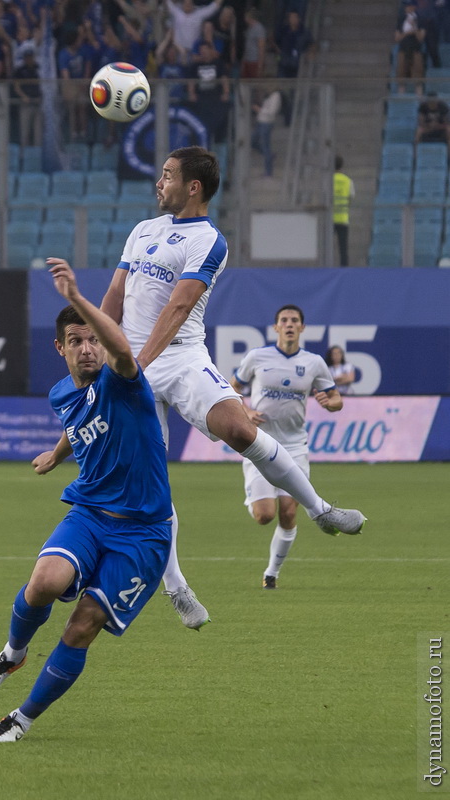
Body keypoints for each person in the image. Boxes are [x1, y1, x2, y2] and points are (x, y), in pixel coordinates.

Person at [36, 146, 366, 631]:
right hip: (133, 361)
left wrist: (136, 364)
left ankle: (320, 510)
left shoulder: (209, 241)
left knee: (240, 430)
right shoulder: (143, 230)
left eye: (167, 175)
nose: (159, 182)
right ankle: (176, 587)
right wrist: (113, 350)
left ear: (193, 187)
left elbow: (178, 308)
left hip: (180, 357)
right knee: (150, 481)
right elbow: (115, 295)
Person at [0, 258, 173, 743]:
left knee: (81, 626)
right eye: (76, 341)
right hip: (90, 514)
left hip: (143, 534)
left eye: (94, 340)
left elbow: (124, 351)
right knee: (44, 581)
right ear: (59, 348)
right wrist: (59, 454)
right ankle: (13, 654)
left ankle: (21, 719)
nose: (88, 349)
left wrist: (78, 299)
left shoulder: (124, 379)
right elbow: (79, 423)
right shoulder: (63, 393)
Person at [231, 306, 343, 589]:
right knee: (264, 516)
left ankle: (271, 574)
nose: (289, 324)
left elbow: (335, 397)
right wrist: (244, 411)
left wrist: (332, 404)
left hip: (294, 446)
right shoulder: (257, 357)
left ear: (302, 328)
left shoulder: (314, 362)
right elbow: (231, 389)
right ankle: (255, 497)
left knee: (289, 512)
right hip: (259, 445)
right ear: (276, 327)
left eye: (295, 321)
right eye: (284, 321)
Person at [395, 1, 426, 93]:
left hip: (416, 50)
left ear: (414, 7)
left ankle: (419, 96)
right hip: (403, 49)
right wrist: (406, 33)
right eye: (406, 6)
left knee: (418, 74)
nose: (407, 8)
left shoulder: (420, 19)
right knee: (401, 73)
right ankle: (401, 97)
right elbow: (397, 38)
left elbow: (421, 38)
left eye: (409, 6)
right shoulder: (401, 19)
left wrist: (414, 27)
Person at [251, 87, 282, 177]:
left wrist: (259, 110)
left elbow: (271, 112)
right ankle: (269, 155)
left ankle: (268, 171)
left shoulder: (276, 96)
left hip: (267, 123)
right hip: (260, 121)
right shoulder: (268, 96)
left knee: (266, 145)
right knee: (253, 141)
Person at [333, 155, 355, 266]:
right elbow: (351, 197)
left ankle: (326, 268)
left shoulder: (327, 180)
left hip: (329, 219)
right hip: (343, 218)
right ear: (341, 166)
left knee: (326, 247)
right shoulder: (348, 181)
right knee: (343, 249)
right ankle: (344, 270)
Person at [241, 7, 266, 79]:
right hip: (247, 61)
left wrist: (260, 65)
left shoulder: (259, 28)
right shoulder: (249, 29)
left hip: (255, 61)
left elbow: (261, 47)